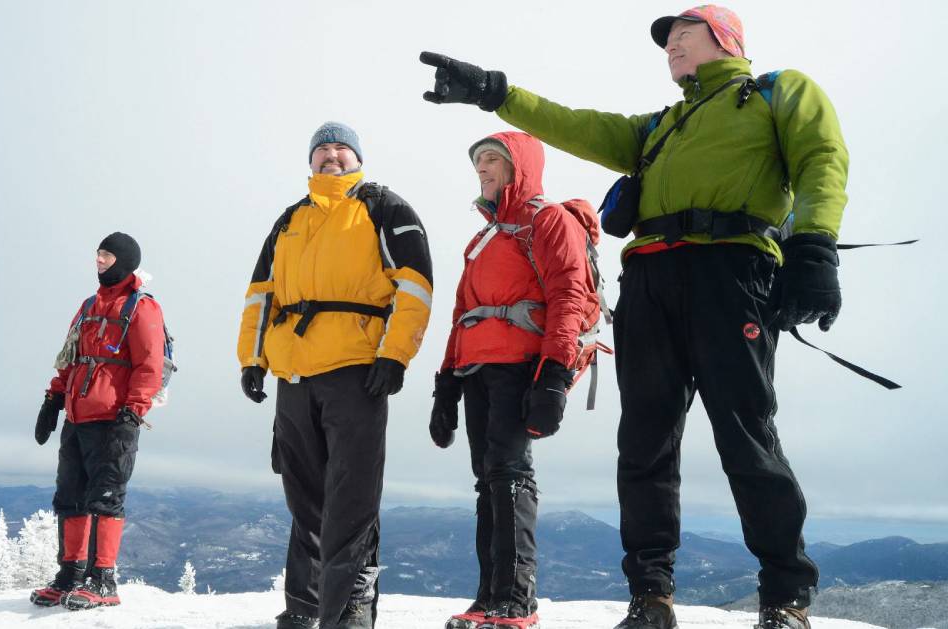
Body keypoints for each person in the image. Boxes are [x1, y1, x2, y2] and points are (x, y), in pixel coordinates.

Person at [420, 5, 846, 629]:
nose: (671, 46)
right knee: (643, 443)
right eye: (667, 40)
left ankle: (785, 598)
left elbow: (822, 160)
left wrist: (815, 245)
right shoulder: (659, 126)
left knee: (747, 436)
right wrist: (496, 92)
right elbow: (575, 126)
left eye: (683, 34)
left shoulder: (775, 92)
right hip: (648, 279)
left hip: (731, 271)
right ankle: (651, 596)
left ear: (725, 40)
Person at [236, 122, 433, 629]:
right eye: (322, 149)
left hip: (355, 371)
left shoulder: (385, 208)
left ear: (358, 158)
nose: (331, 155)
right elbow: (261, 294)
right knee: (303, 494)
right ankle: (303, 608)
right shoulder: (289, 220)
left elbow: (414, 286)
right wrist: (251, 359)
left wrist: (395, 356)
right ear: (310, 161)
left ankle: (349, 610)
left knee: (352, 495)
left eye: (341, 148)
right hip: (293, 374)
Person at [429, 131, 600, 629]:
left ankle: (516, 602)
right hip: (478, 369)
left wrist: (553, 374)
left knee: (509, 475)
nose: (481, 169)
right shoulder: (484, 238)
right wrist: (446, 384)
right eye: (477, 161)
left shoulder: (548, 221)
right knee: (488, 481)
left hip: (522, 367)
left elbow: (569, 295)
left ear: (518, 166)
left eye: (491, 160)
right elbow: (462, 313)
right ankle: (488, 599)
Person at [30, 231, 165, 611]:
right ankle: (70, 576)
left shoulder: (142, 308)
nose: (99, 260)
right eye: (98, 254)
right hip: (77, 416)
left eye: (106, 255)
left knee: (105, 498)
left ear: (123, 260)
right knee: (69, 497)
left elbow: (149, 366)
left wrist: (133, 412)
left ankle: (103, 580)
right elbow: (69, 356)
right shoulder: (89, 305)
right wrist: (53, 398)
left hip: (114, 419)